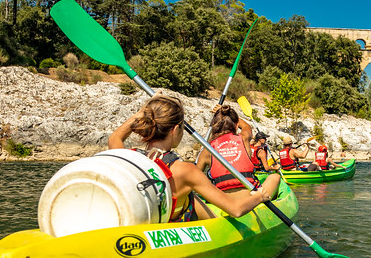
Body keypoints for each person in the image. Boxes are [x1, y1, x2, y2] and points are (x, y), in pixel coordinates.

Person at [108, 95, 280, 222]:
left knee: (191, 195)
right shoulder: (185, 171)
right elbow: (236, 210)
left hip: (146, 221)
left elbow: (115, 138)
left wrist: (143, 112)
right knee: (190, 194)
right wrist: (259, 196)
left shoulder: (128, 158)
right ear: (176, 130)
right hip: (175, 221)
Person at [195, 104, 260, 192]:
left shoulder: (207, 150)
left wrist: (222, 115)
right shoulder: (244, 138)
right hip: (249, 193)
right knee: (275, 178)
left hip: (222, 197)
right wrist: (228, 115)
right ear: (236, 125)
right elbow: (246, 126)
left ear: (215, 126)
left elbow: (194, 178)